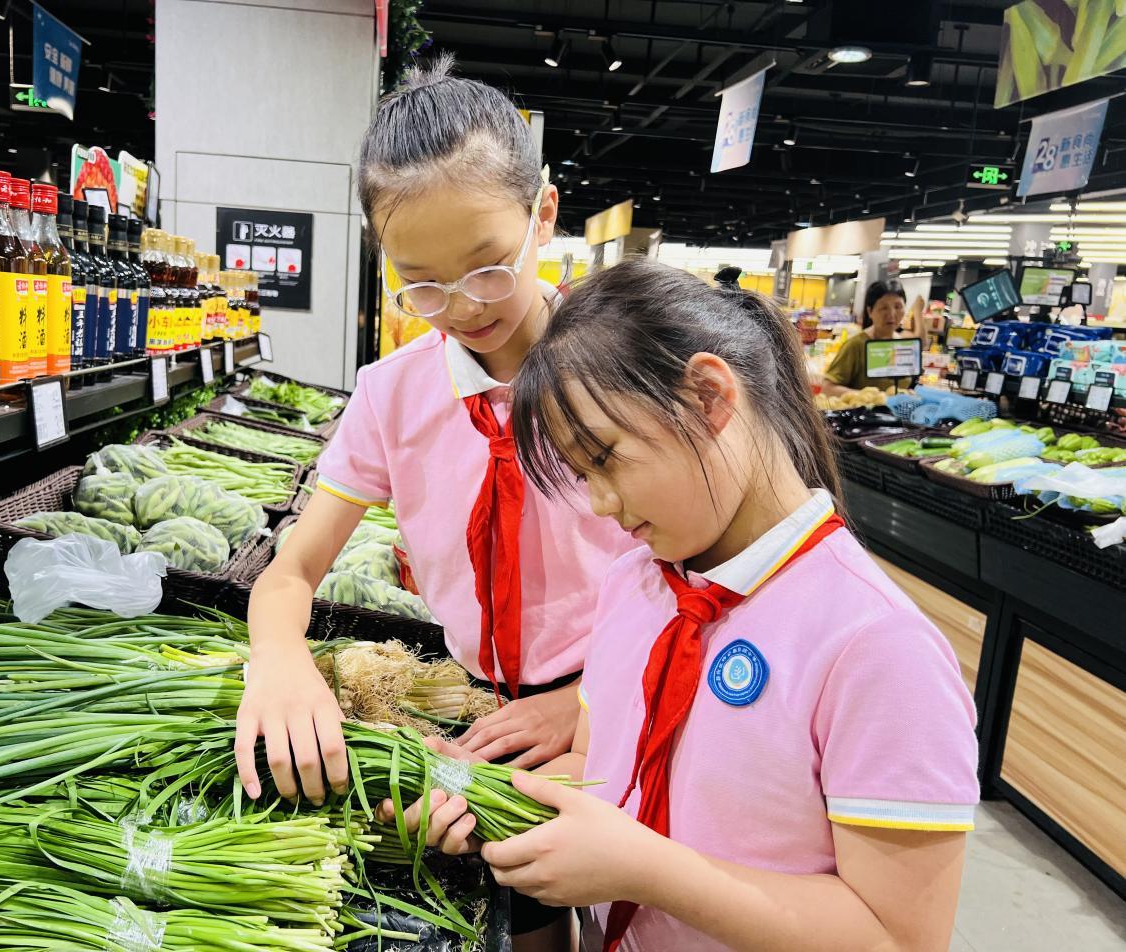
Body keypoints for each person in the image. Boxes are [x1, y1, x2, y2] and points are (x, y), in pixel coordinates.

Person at [397, 259, 980, 952]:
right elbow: (598, 769)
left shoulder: (876, 646)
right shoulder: (635, 585)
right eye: (580, 476)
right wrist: (471, 788)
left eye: (604, 459)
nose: (601, 504)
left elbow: (899, 937)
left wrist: (646, 871)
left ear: (708, 396)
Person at [233, 55, 631, 950]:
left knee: (631, 908)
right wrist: (279, 658)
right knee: (523, 906)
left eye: (489, 268)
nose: (459, 308)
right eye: (418, 284)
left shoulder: (620, 372)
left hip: (631, 700)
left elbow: (697, 573)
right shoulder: (393, 395)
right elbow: (293, 569)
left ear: (544, 215)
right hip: (479, 716)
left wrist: (585, 701)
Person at [821, 280, 927, 395]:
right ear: (870, 311)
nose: (891, 314)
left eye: (898, 307)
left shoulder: (904, 344)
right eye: (884, 308)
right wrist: (868, 397)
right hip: (861, 412)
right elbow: (828, 388)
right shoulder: (856, 345)